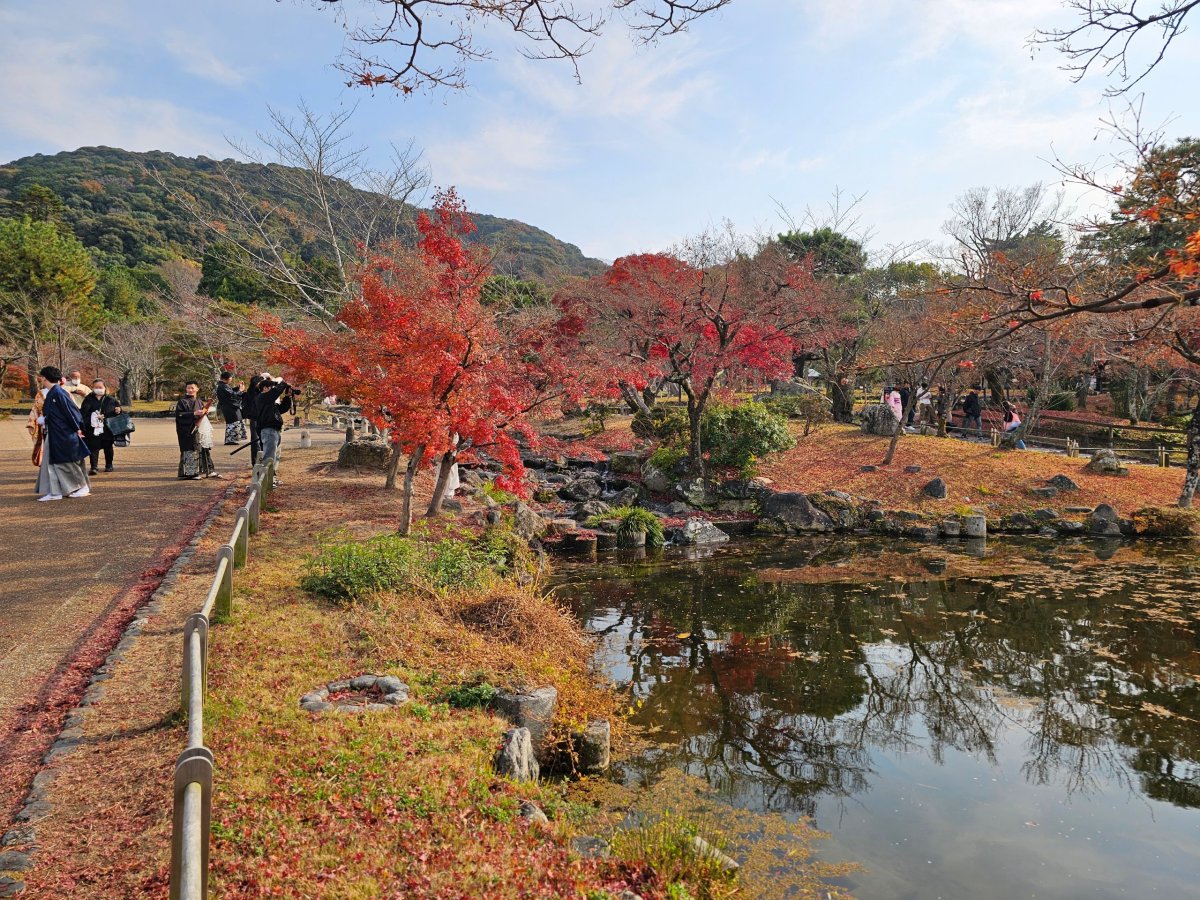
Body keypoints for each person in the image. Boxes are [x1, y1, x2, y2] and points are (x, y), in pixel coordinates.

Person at [34, 366, 91, 501]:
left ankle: (81, 487)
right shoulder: (54, 392)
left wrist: (77, 428)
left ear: (44, 378)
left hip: (63, 433)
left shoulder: (59, 393)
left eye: (42, 377)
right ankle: (55, 491)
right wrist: (47, 419)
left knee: (67, 462)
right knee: (52, 462)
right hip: (56, 432)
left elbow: (72, 413)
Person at [174, 381, 218, 479]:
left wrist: (205, 410)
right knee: (191, 449)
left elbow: (202, 412)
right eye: (188, 388)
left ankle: (208, 471)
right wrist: (193, 413)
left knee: (203, 448)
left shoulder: (198, 400)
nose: (190, 390)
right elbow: (179, 415)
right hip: (187, 430)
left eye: (192, 388)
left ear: (197, 389)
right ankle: (190, 473)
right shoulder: (182, 401)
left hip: (199, 428)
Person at [254, 376, 293, 481]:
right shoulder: (262, 397)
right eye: (271, 387)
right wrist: (283, 383)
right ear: (265, 388)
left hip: (273, 430)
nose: (273, 390)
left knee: (273, 456)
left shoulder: (269, 401)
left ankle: (271, 478)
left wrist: (287, 397)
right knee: (269, 457)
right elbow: (275, 392)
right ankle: (267, 480)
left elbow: (282, 408)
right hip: (268, 430)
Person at [79, 378, 122, 474]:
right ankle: (94, 467)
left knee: (108, 447)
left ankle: (109, 465)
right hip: (92, 428)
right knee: (93, 448)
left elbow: (118, 412)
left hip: (107, 428)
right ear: (92, 388)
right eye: (96, 387)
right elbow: (83, 413)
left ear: (104, 388)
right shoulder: (88, 399)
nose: (98, 389)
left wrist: (118, 410)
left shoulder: (111, 399)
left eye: (100, 387)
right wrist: (93, 417)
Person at [216, 371, 247, 445]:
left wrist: (238, 388)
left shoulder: (223, 385)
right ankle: (230, 440)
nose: (231, 380)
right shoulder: (223, 386)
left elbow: (231, 391)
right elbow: (232, 394)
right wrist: (240, 390)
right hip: (229, 407)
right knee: (232, 422)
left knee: (234, 422)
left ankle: (231, 439)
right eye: (230, 378)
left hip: (229, 406)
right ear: (227, 379)